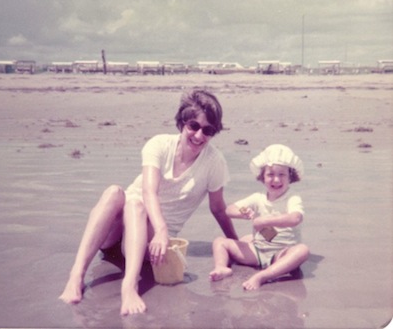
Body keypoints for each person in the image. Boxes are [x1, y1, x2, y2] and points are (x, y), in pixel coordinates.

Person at [59, 90, 238, 315]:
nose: (199, 136)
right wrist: (162, 230)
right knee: (114, 192)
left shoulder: (214, 162)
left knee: (136, 205)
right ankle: (76, 275)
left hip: (151, 244)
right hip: (115, 234)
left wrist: (236, 245)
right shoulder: (159, 145)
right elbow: (148, 190)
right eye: (194, 126)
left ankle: (129, 285)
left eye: (208, 130)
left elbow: (218, 208)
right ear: (182, 122)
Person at [209, 144, 309, 290]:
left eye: (282, 174)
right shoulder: (258, 198)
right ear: (262, 177)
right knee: (220, 242)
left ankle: (262, 276)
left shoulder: (292, 198)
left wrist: (264, 221)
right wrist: (242, 212)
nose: (276, 180)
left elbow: (295, 218)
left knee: (302, 250)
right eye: (270, 174)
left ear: (290, 177)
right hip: (257, 251)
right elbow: (229, 210)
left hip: (281, 254)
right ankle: (221, 267)